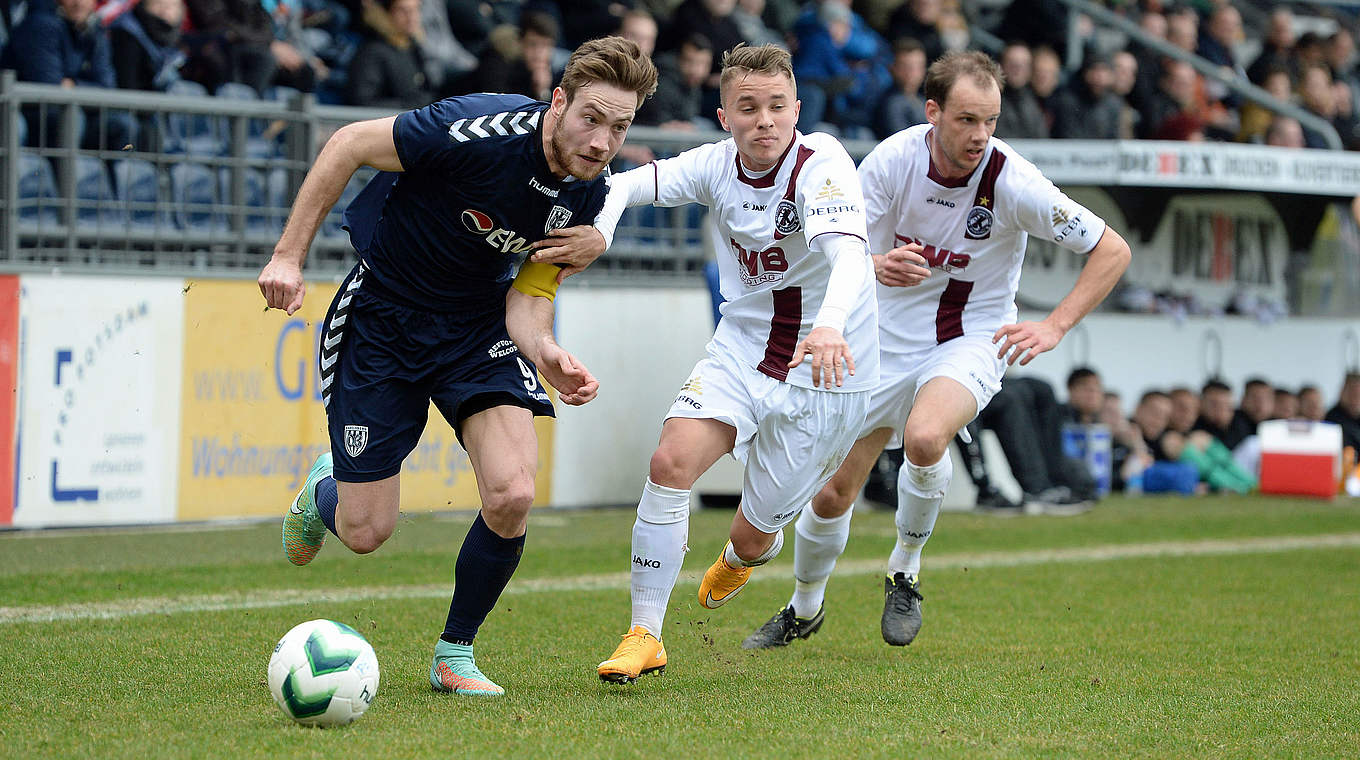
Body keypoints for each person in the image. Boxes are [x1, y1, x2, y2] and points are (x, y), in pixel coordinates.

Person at [257, 36, 658, 697]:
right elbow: (350, 143)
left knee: (513, 493)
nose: (602, 140)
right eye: (591, 117)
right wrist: (287, 256)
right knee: (364, 531)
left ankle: (454, 654)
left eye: (619, 127)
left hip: (475, 329)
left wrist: (547, 352)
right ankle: (322, 492)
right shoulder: (480, 128)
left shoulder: (587, 199)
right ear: (558, 102)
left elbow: (527, 309)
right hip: (383, 318)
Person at [741, 50, 1130, 650]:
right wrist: (873, 264)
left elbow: (1113, 250)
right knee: (832, 491)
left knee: (926, 438)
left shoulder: (1013, 181)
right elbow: (832, 249)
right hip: (880, 341)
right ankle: (804, 607)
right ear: (933, 113)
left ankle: (904, 571)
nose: (980, 136)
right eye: (967, 120)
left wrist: (1054, 326)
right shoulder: (892, 161)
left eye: (991, 121)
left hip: (968, 336)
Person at [542, 43, 880, 684]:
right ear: (724, 116)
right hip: (743, 350)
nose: (764, 121)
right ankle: (645, 634)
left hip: (827, 370)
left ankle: (750, 548)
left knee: (752, 538)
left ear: (797, 110)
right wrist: (604, 232)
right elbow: (625, 184)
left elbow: (849, 257)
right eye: (747, 108)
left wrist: (831, 326)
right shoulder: (715, 165)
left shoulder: (823, 161)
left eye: (777, 106)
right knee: (670, 462)